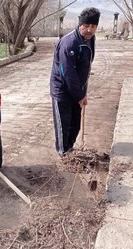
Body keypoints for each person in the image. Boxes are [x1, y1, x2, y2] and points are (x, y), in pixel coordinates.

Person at [50, 7, 100, 156]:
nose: (89, 30)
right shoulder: (69, 43)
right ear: (80, 24)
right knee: (62, 126)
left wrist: (82, 92)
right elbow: (68, 73)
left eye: (93, 26)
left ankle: (69, 149)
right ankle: (63, 153)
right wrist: (80, 96)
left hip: (77, 90)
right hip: (62, 91)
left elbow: (85, 67)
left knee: (75, 125)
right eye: (86, 26)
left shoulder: (90, 39)